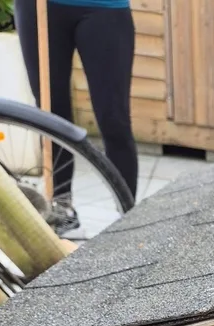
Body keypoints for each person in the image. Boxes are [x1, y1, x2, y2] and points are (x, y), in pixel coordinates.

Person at [14, 0, 137, 233]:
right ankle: (61, 204)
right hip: (39, 7)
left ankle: (126, 212)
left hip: (103, 7)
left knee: (114, 119)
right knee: (51, 114)